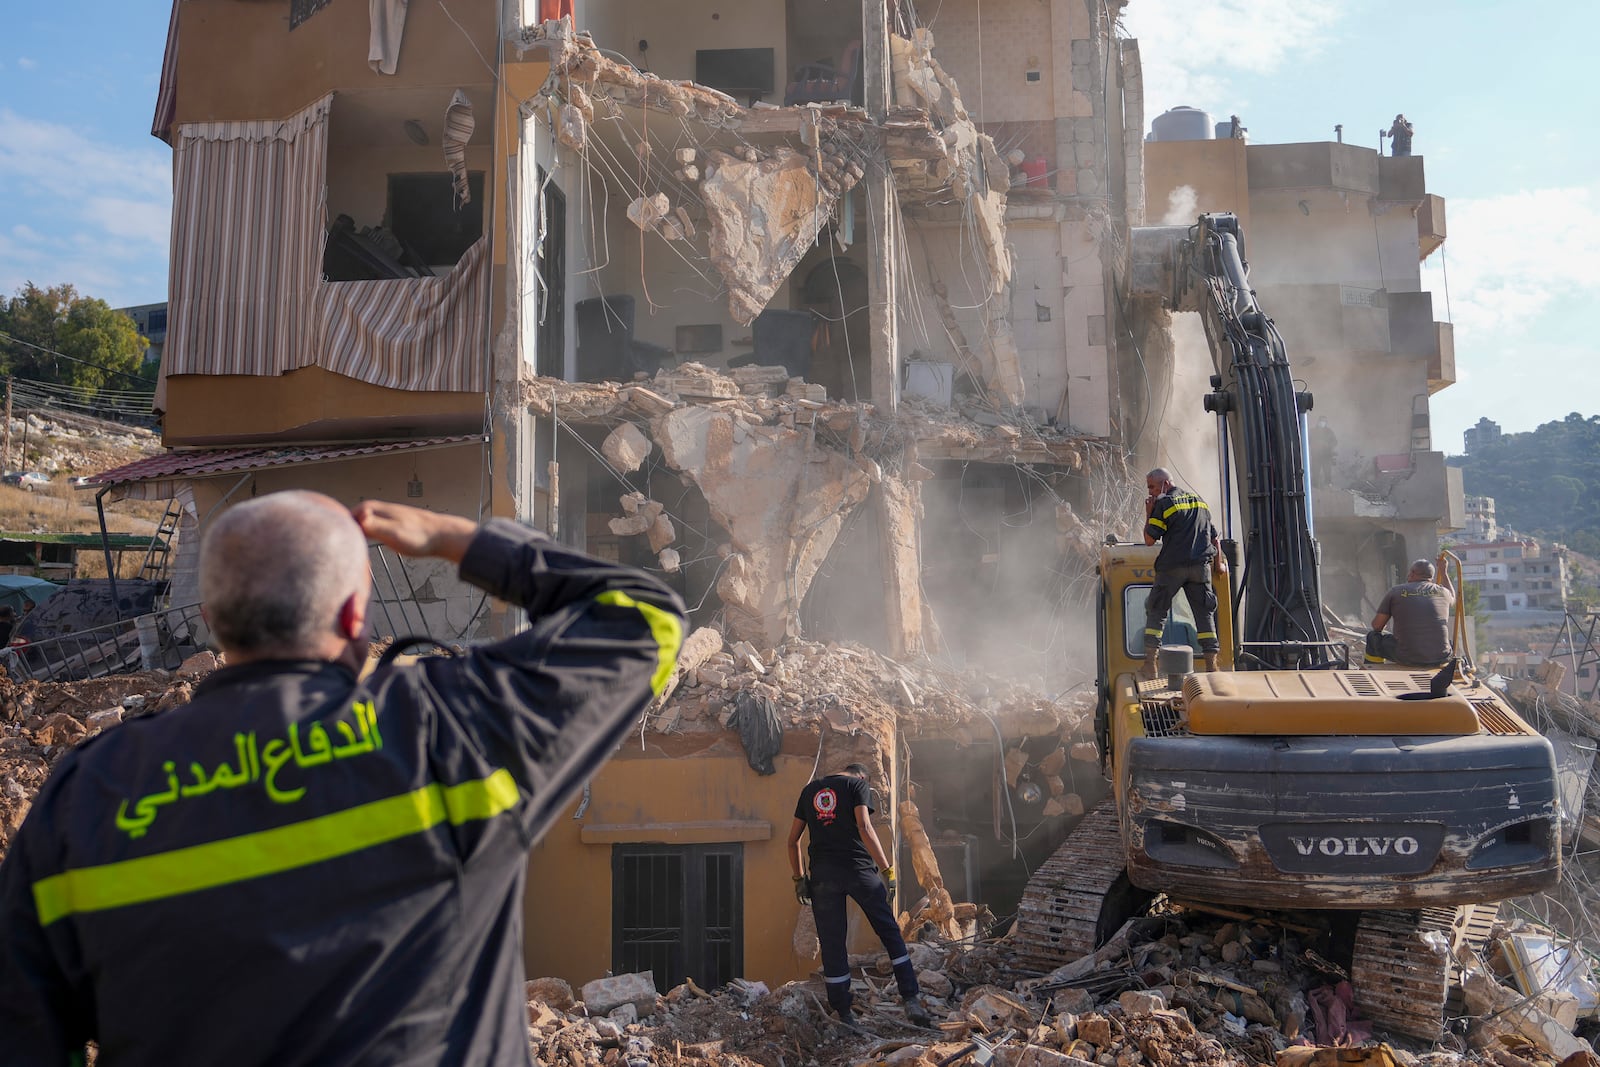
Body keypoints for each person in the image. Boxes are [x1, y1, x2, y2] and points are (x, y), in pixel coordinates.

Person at [0, 491, 685, 1066]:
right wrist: (457, 540)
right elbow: (646, 617)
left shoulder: (82, 798)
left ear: (210, 621)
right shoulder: (448, 728)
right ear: (357, 615)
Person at [787, 763, 932, 1028]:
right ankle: (910, 998)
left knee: (832, 945)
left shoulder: (809, 791)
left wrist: (799, 879)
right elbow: (864, 826)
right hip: (859, 872)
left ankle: (844, 1014)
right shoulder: (857, 785)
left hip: (823, 877)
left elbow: (793, 840)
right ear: (862, 776)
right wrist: (888, 870)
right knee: (889, 933)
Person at [1142, 467, 1221, 677]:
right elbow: (1214, 538)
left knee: (1157, 610)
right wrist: (1219, 565)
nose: (1150, 492)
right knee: (1204, 614)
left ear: (1165, 484)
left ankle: (1150, 665)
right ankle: (1212, 666)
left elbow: (1149, 540)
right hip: (1200, 568)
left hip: (1172, 567)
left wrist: (1149, 513)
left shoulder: (1165, 503)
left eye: (1152, 486)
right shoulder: (1200, 501)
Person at [1366, 558, 1453, 667]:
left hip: (1407, 657)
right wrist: (1444, 572)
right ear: (1431, 576)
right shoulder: (1443, 592)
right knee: (1447, 642)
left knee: (1373, 637)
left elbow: (1377, 626)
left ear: (1412, 573)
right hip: (1441, 657)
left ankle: (1373, 669)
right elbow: (1453, 597)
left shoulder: (1396, 591)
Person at [1310, 416, 1338, 488]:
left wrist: (1327, 445)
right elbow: (1307, 442)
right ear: (1318, 422)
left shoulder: (1329, 432)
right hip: (1316, 456)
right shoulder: (1313, 431)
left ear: (1326, 423)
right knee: (1315, 472)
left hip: (1326, 456)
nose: (1322, 423)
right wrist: (1315, 444)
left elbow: (1335, 442)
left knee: (1327, 472)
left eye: (1324, 421)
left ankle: (1328, 486)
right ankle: (1315, 487)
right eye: (1321, 421)